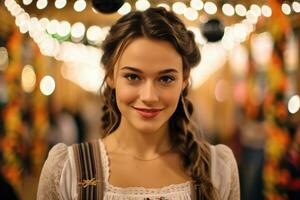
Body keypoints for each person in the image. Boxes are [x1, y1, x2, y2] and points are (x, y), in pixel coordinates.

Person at [37, 7, 239, 200]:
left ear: (184, 80)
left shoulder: (218, 169)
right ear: (111, 76)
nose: (149, 96)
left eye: (166, 78)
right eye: (133, 76)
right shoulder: (68, 170)